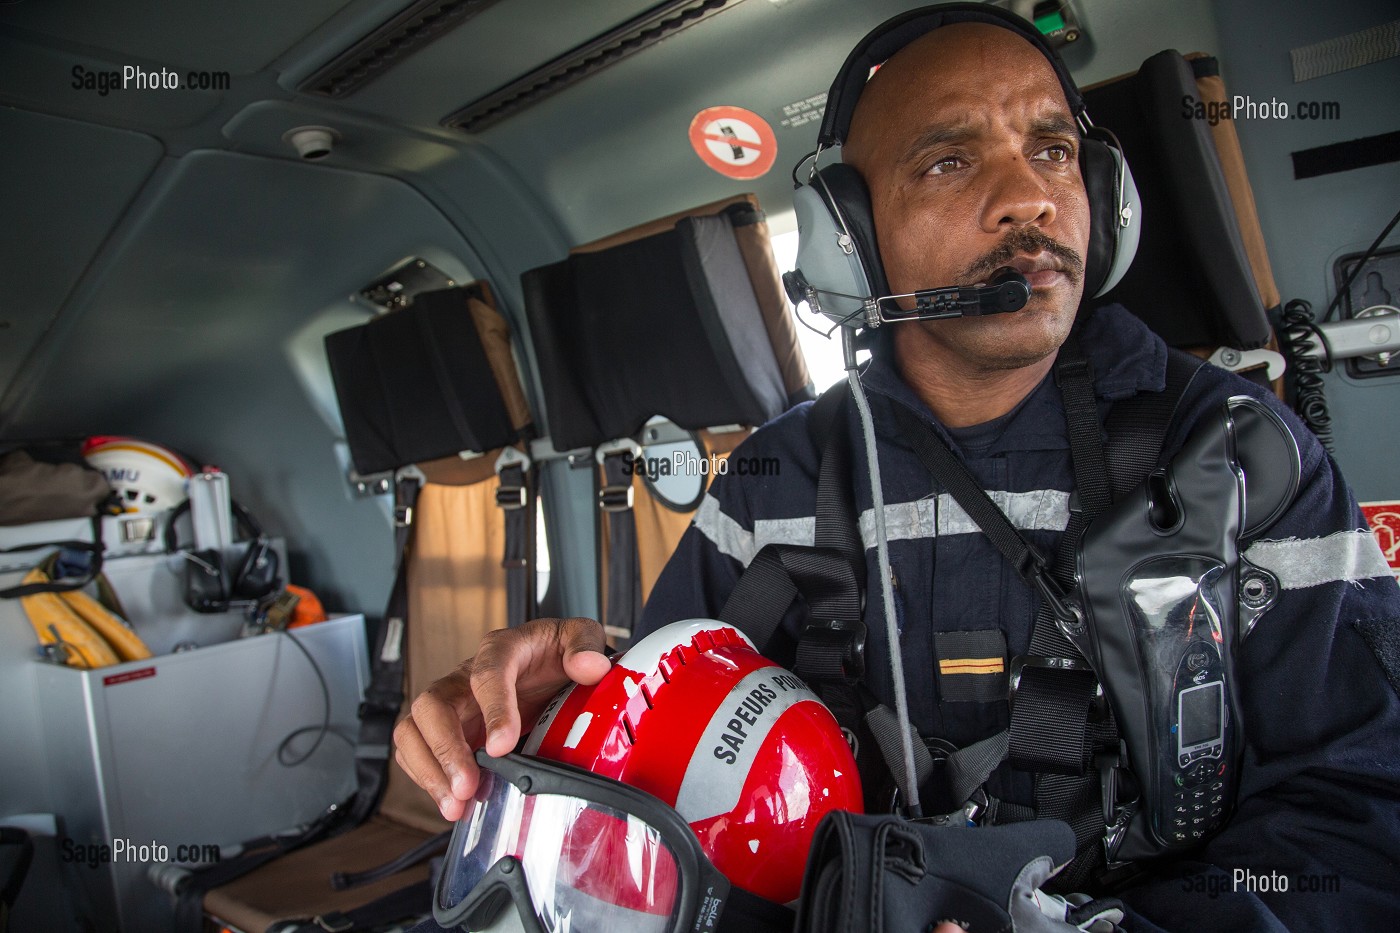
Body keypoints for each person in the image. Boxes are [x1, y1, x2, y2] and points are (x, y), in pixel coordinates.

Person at [395, 9, 1400, 931]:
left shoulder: (1239, 455)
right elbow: (662, 778)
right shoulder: (769, 486)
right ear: (849, 238)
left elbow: (1361, 813)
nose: (1028, 198)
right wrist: (556, 723)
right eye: (949, 162)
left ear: (1105, 201)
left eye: (1052, 151)